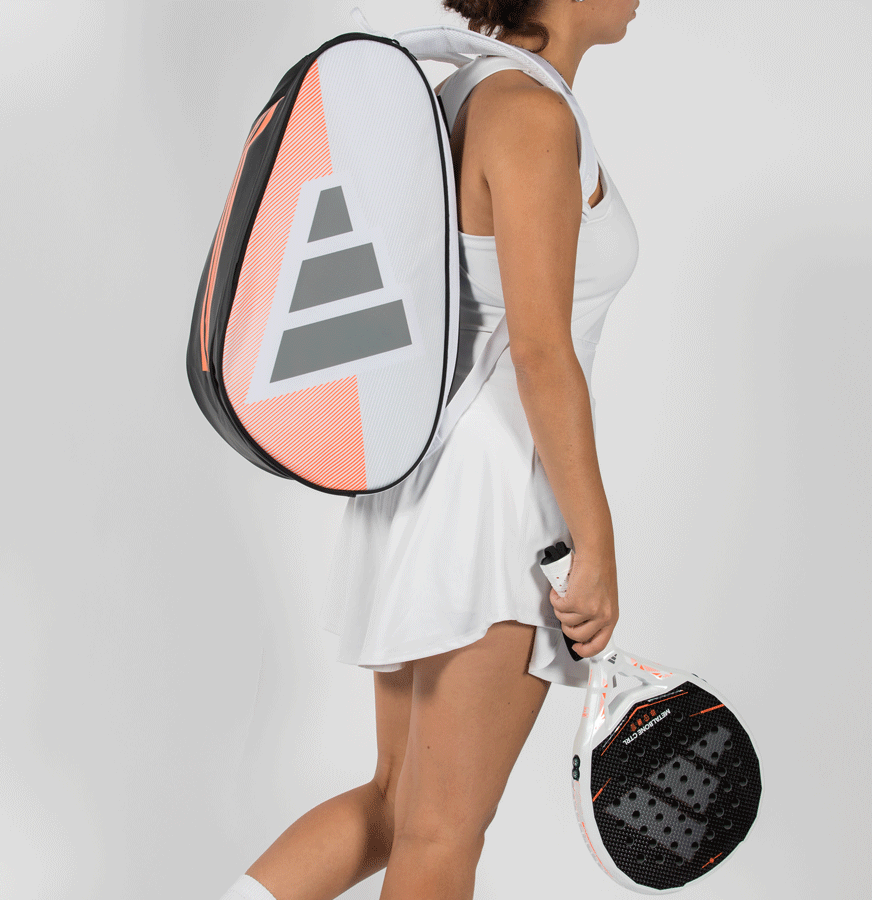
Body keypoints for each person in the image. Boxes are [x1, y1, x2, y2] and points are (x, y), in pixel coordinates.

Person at [220, 1, 640, 897]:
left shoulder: (461, 92)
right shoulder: (531, 115)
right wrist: (596, 541)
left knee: (396, 808)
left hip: (419, 478)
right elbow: (539, 351)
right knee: (441, 831)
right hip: (492, 502)